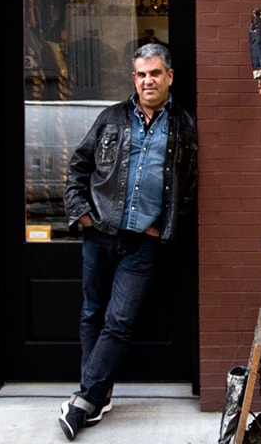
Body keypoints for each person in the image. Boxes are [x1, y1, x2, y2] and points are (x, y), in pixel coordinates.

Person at [59, 43, 198, 440]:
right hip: (99, 235)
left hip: (143, 243)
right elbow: (78, 166)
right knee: (92, 313)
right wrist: (82, 214)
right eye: (140, 74)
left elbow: (188, 188)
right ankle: (97, 398)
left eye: (154, 73)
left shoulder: (184, 124)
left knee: (119, 320)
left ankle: (84, 400)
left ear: (169, 76)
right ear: (133, 79)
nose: (147, 81)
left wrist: (166, 225)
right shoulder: (111, 119)